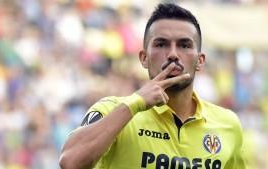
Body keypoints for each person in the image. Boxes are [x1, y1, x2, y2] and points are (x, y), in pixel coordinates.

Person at [59, 3, 246, 169]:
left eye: (184, 45)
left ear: (200, 60)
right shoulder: (113, 110)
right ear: (144, 58)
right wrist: (136, 103)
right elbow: (70, 161)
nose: (173, 54)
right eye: (161, 44)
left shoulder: (228, 124)